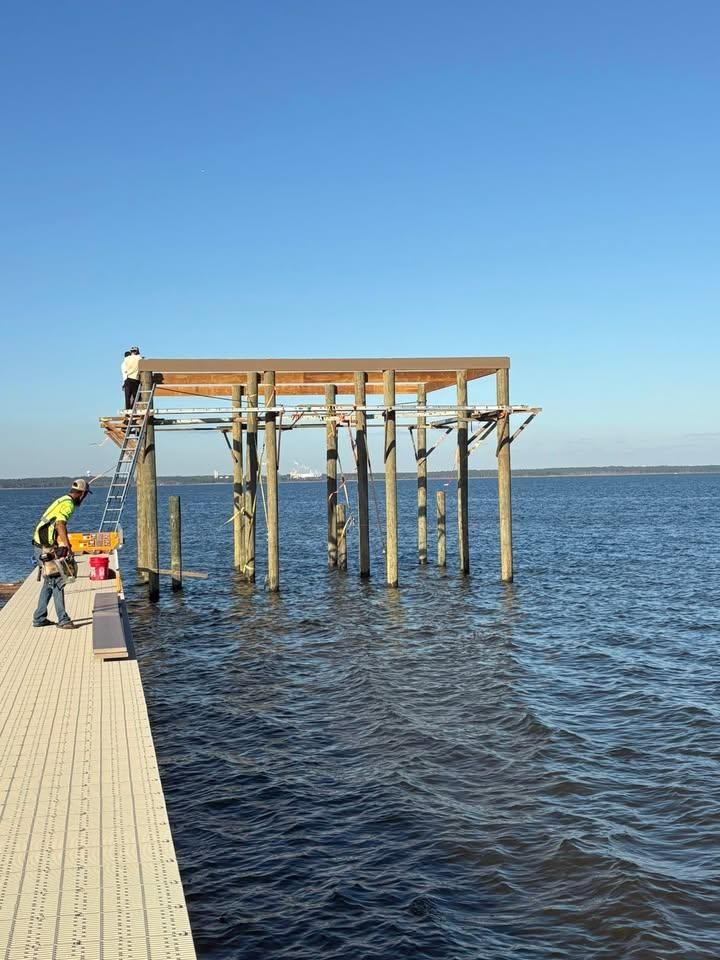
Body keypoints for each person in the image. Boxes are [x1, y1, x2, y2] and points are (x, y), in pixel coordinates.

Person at [31, 478, 92, 629]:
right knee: (58, 580)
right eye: (85, 496)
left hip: (40, 544)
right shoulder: (68, 504)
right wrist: (68, 545)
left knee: (49, 581)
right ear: (82, 494)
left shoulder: (62, 499)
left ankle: (39, 618)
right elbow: (60, 524)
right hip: (45, 547)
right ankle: (63, 620)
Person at [121, 346, 141, 412]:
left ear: (131, 352)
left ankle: (127, 411)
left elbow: (125, 371)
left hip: (127, 380)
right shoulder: (139, 358)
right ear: (137, 352)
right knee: (137, 397)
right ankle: (132, 409)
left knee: (127, 398)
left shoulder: (126, 359)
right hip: (135, 380)